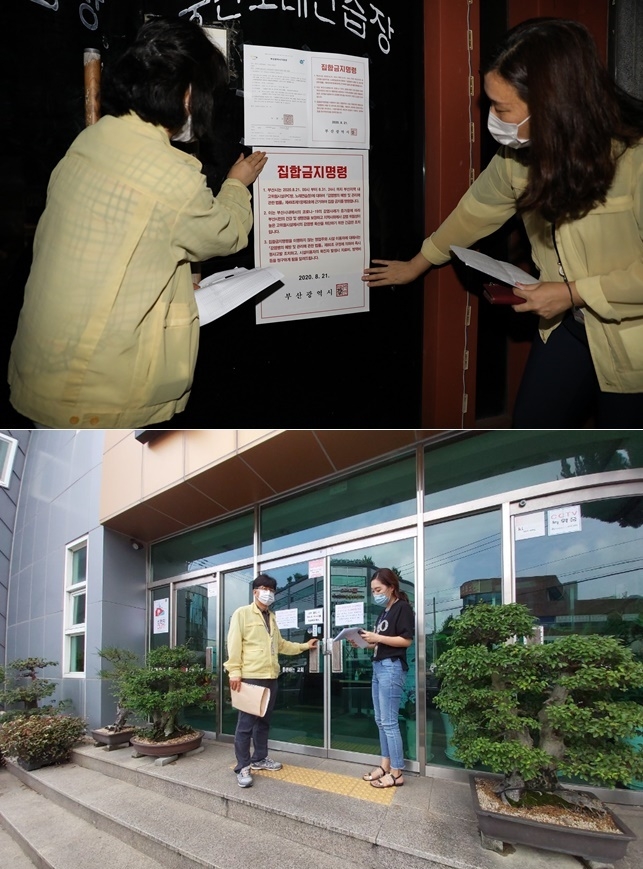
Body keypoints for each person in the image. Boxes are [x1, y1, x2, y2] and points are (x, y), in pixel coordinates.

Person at [363, 18, 643, 428]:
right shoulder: (520, 155)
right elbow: (477, 209)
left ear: (553, 104)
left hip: (631, 338)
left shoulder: (634, 157)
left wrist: (573, 293)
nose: (492, 118)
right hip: (566, 328)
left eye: (501, 107)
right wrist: (418, 263)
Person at [7, 17, 267, 428]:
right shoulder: (170, 174)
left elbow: (126, 241)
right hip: (100, 392)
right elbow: (225, 233)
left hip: (45, 365)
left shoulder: (93, 140)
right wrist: (236, 185)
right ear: (186, 95)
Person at [224, 574, 318, 788]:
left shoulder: (271, 617)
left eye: (272, 589)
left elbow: (282, 645)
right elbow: (234, 643)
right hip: (250, 676)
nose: (268, 592)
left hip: (270, 677)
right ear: (255, 591)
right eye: (264, 588)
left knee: (264, 723)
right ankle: (243, 766)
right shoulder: (242, 614)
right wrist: (234, 672)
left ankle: (259, 758)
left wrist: (305, 646)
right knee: (245, 725)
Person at [357, 568, 415, 789]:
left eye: (379, 589)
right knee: (380, 720)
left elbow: (406, 640)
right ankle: (385, 765)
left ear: (391, 587)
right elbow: (380, 642)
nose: (376, 594)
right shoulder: (384, 612)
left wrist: (377, 637)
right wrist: (364, 642)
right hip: (379, 666)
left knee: (389, 722)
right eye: (373, 591)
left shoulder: (403, 608)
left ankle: (397, 772)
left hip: (391, 668)